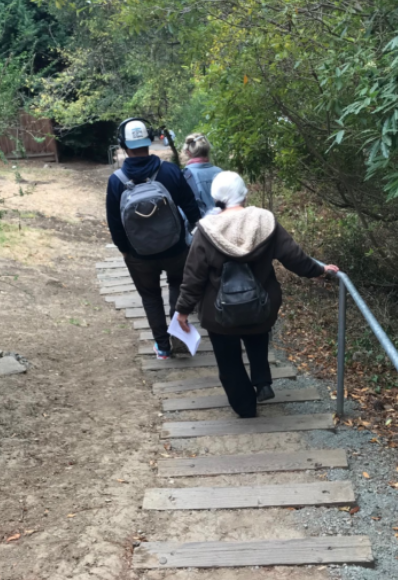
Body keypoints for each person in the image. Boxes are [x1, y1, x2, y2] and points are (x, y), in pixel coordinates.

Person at [174, 171, 339, 416]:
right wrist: (319, 270)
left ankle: (245, 407)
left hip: (219, 312)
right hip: (261, 305)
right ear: (245, 193)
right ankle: (262, 381)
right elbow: (293, 256)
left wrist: (183, 310)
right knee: (257, 334)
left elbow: (193, 275)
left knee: (228, 360)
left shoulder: (206, 231)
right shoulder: (265, 221)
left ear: (216, 198)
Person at [106, 118, 203, 359]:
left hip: (139, 254)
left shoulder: (116, 181)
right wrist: (192, 233)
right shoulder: (169, 170)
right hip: (175, 248)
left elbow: (115, 223)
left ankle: (162, 347)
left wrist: (124, 250)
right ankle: (179, 336)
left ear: (123, 144)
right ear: (149, 140)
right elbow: (191, 207)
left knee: (149, 297)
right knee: (176, 286)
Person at [182, 133, 223, 216]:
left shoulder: (186, 175)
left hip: (201, 226)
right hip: (225, 223)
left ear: (188, 153)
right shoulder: (221, 172)